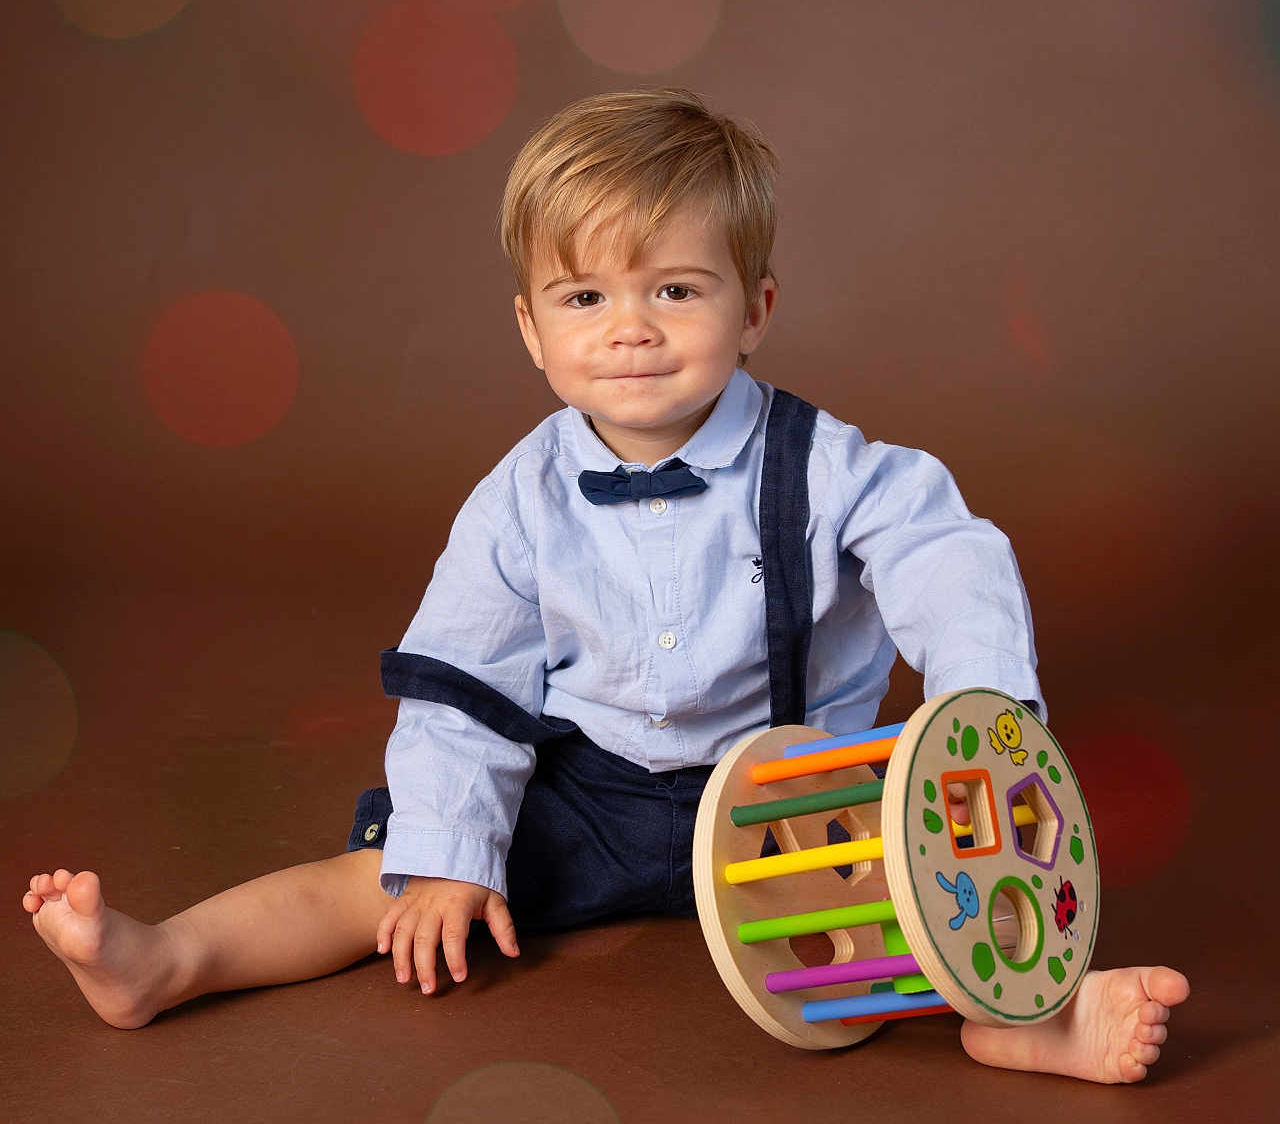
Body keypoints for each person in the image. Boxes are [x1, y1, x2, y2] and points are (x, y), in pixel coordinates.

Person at [23, 88, 1187, 1082]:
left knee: (923, 874)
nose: (630, 330)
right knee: (382, 880)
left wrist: (979, 701)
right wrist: (449, 852)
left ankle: (1029, 1018)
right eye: (586, 299)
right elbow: (466, 682)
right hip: (587, 786)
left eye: (675, 291)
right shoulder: (517, 498)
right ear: (532, 328)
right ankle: (164, 957)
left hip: (791, 782)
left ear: (755, 307)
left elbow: (944, 551)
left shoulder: (825, 464)